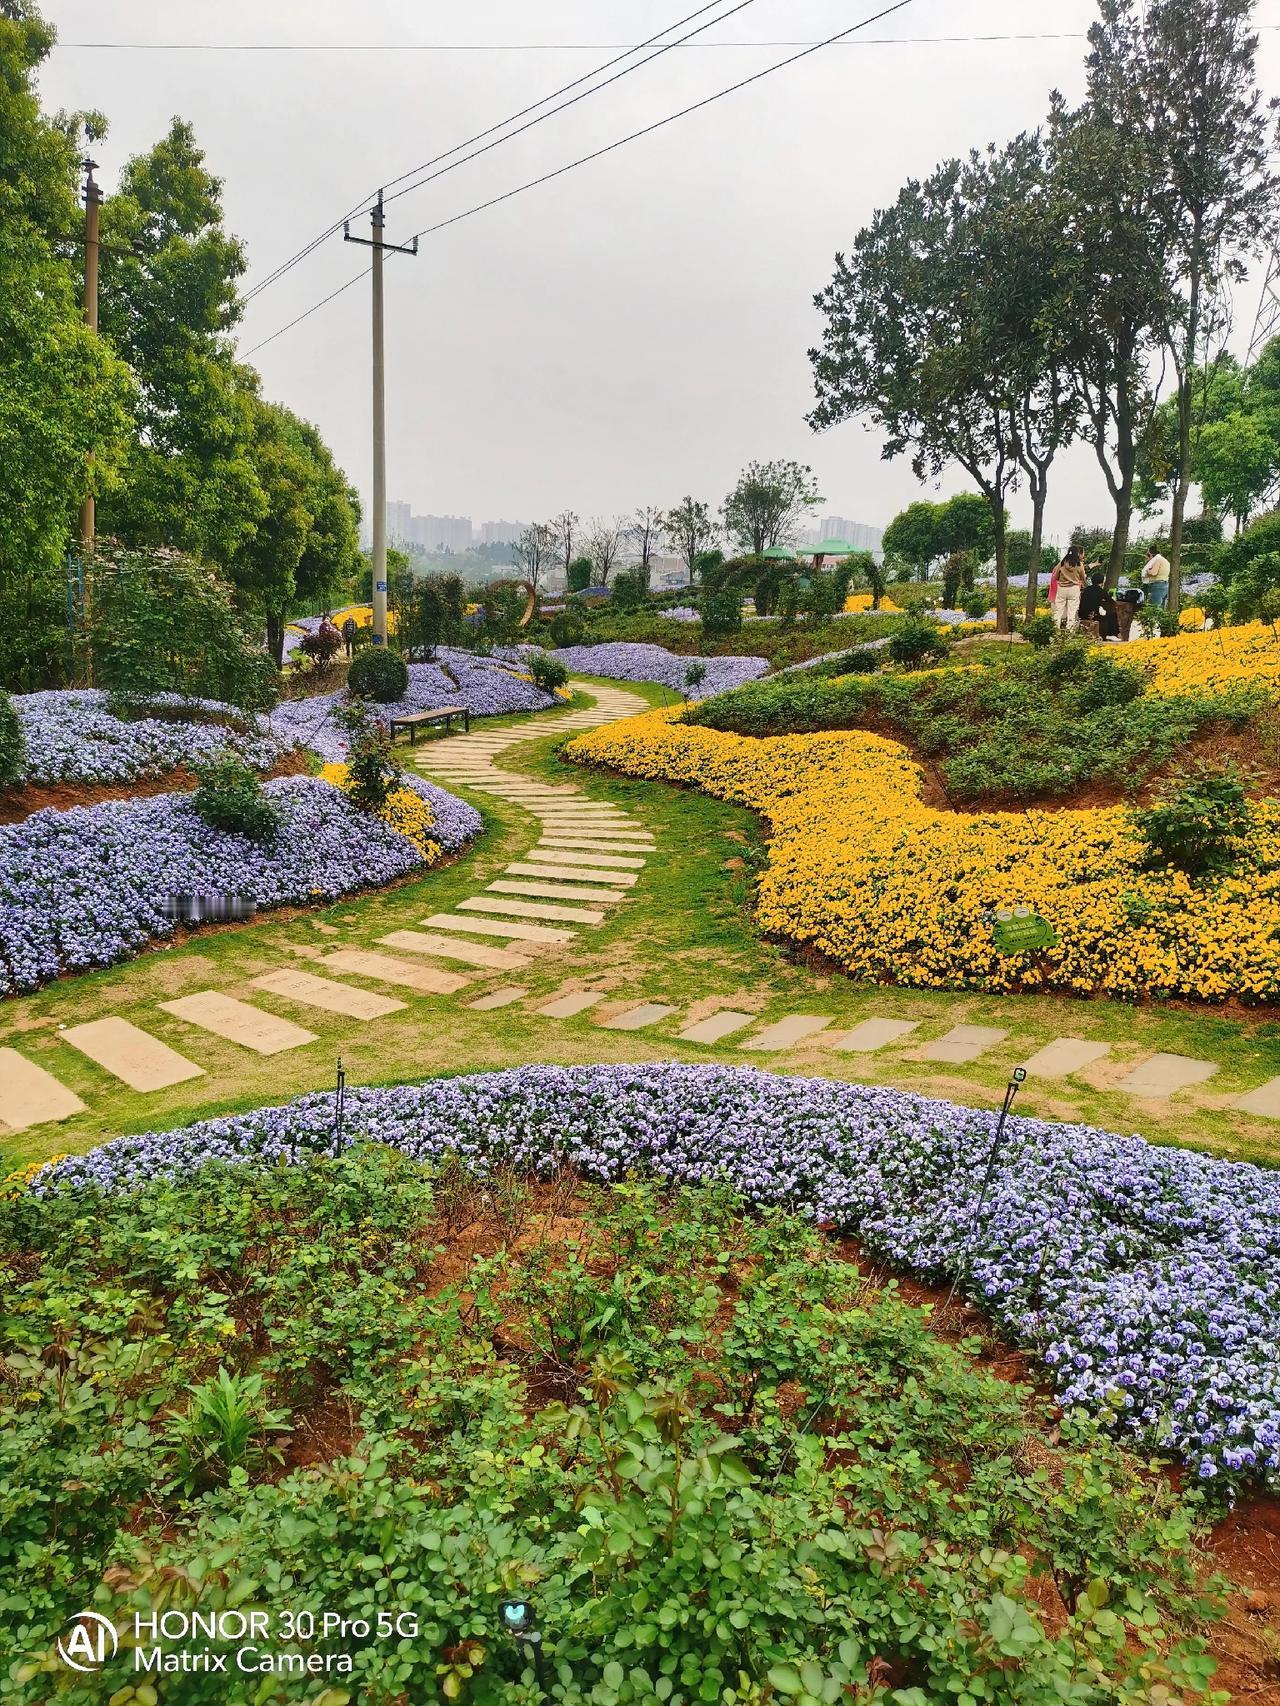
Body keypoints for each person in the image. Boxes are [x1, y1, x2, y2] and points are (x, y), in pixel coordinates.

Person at [1052, 545, 1087, 631]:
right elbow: (1083, 578)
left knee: (1058, 611)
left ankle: (1055, 630)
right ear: (1077, 553)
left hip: (1062, 589)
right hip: (1074, 589)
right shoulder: (1079, 564)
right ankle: (1069, 632)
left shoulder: (1062, 563)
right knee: (1072, 612)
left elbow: (1055, 577)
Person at [1077, 572, 1120, 641]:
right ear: (1102, 581)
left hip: (1082, 614)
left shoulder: (1086, 590)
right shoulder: (1101, 591)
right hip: (1094, 615)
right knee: (1112, 615)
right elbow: (1110, 601)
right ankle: (1112, 634)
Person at [1142, 544, 1171, 610]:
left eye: (1148, 555)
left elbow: (1153, 572)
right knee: (1161, 609)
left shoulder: (1158, 560)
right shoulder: (1164, 560)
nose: (1147, 558)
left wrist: (1147, 571)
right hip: (1164, 585)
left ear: (1151, 555)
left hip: (1157, 585)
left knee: (1153, 608)